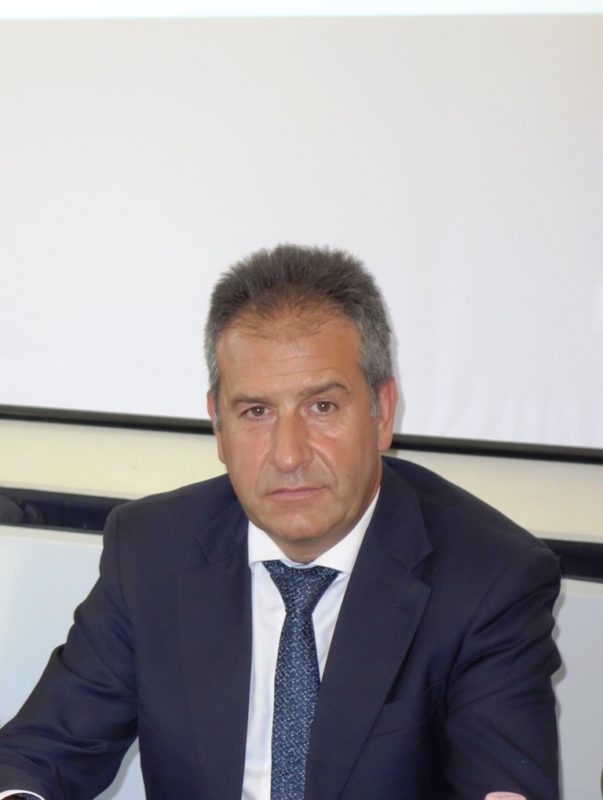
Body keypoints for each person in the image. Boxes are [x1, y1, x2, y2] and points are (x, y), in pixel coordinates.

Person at [0, 244, 561, 799]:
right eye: (256, 412)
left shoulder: (489, 579)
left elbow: (504, 781)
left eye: (322, 407)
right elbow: (39, 754)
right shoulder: (152, 550)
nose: (289, 454)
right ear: (218, 427)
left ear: (382, 413)